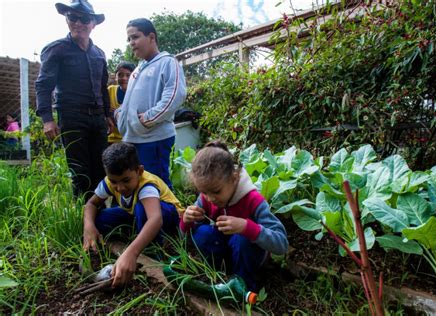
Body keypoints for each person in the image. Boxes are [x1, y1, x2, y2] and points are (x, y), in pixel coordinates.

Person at [180, 141, 288, 291]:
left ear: (234, 178)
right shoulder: (206, 197)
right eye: (204, 192)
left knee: (241, 239)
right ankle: (218, 277)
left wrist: (246, 227)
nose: (210, 198)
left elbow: (282, 244)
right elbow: (183, 239)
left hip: (249, 257)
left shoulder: (253, 200)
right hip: (223, 252)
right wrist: (186, 221)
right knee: (202, 233)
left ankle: (243, 286)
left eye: (217, 192)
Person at [35, 0, 114, 198]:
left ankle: (101, 217)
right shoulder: (57, 49)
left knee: (102, 168)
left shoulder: (100, 54)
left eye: (84, 18)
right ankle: (84, 220)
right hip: (71, 117)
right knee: (80, 171)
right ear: (66, 19)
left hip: (97, 118)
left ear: (93, 23)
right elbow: (43, 85)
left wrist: (107, 115)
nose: (78, 23)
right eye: (72, 17)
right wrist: (47, 119)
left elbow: (102, 88)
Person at [83, 142, 183, 287]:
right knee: (100, 218)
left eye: (126, 180)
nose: (120, 187)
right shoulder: (110, 183)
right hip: (138, 214)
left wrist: (131, 253)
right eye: (114, 182)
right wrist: (89, 226)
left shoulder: (146, 185)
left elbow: (155, 219)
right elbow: (91, 204)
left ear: (139, 171)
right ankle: (139, 235)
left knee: (141, 208)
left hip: (169, 217)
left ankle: (153, 252)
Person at [115, 18, 187, 189]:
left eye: (135, 37)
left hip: (153, 138)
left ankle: (168, 215)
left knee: (156, 184)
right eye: (129, 39)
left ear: (151, 37)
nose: (131, 43)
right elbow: (130, 100)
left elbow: (175, 96)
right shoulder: (138, 69)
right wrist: (120, 115)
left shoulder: (168, 62)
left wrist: (146, 119)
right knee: (139, 184)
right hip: (133, 138)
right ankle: (145, 216)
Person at [108, 62, 136, 144]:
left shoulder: (138, 93)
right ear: (116, 77)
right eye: (120, 75)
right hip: (113, 139)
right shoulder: (110, 90)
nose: (124, 78)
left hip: (132, 139)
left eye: (128, 75)